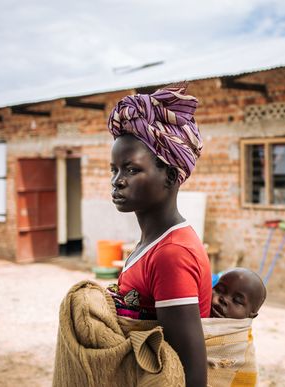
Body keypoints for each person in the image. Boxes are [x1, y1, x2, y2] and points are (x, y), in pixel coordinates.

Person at [107, 85, 210, 387]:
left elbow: (188, 371)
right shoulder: (150, 244)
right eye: (113, 170)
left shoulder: (171, 253)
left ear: (168, 175)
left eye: (131, 170)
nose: (117, 182)